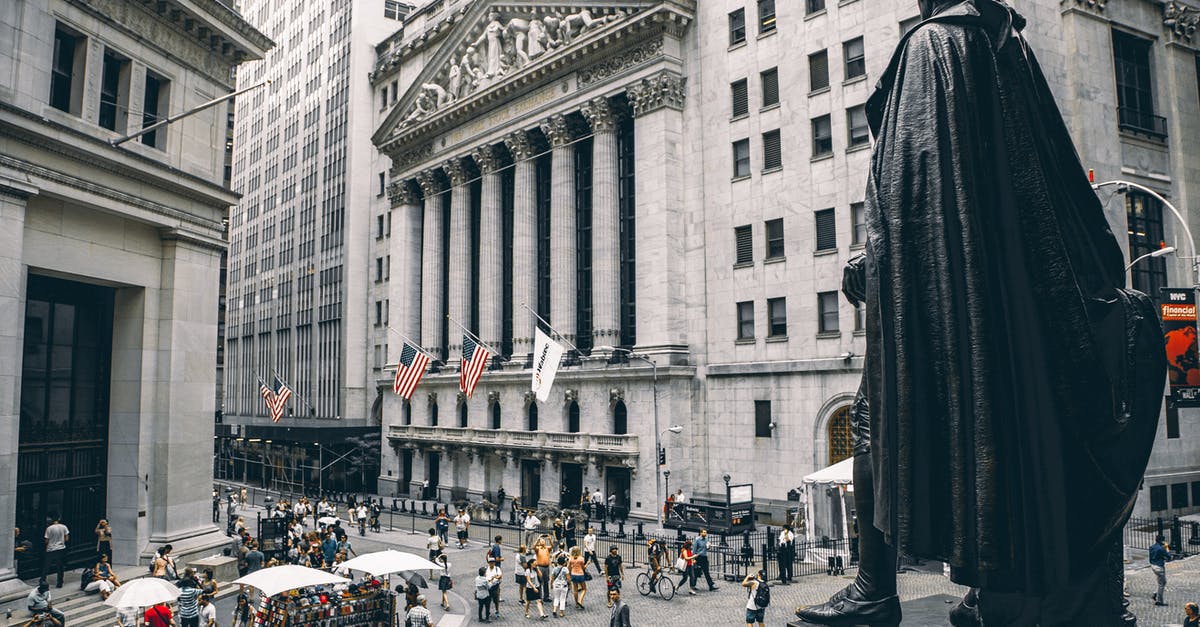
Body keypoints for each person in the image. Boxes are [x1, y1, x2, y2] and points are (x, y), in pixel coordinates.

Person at [799, 1, 1163, 626]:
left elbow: (910, 192)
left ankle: (873, 590)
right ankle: (986, 583)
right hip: (1003, 308)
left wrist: (870, 264)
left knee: (869, 422)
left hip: (942, 307)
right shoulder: (1002, 44)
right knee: (983, 433)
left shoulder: (934, 48)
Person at [42, 515, 69, 588]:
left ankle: (43, 580)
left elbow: (46, 540)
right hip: (60, 548)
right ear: (59, 519)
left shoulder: (49, 528)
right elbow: (66, 538)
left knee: (46, 566)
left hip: (51, 549)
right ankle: (60, 582)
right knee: (60, 567)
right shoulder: (64, 527)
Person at [1151, 534, 1172, 606]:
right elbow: (1169, 557)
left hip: (1153, 565)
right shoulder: (1161, 548)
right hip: (1159, 567)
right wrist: (1167, 548)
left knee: (1161, 582)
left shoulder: (1152, 547)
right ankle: (1159, 601)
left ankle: (1155, 593)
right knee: (1162, 584)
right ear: (1161, 541)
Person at [533, 536, 552, 601]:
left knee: (546, 582)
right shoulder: (538, 549)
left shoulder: (547, 548)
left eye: (544, 541)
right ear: (540, 542)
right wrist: (538, 539)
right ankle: (539, 597)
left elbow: (552, 546)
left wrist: (549, 540)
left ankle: (546, 597)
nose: (543, 542)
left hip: (546, 567)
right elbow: (533, 547)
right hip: (540, 567)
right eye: (542, 541)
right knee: (540, 582)